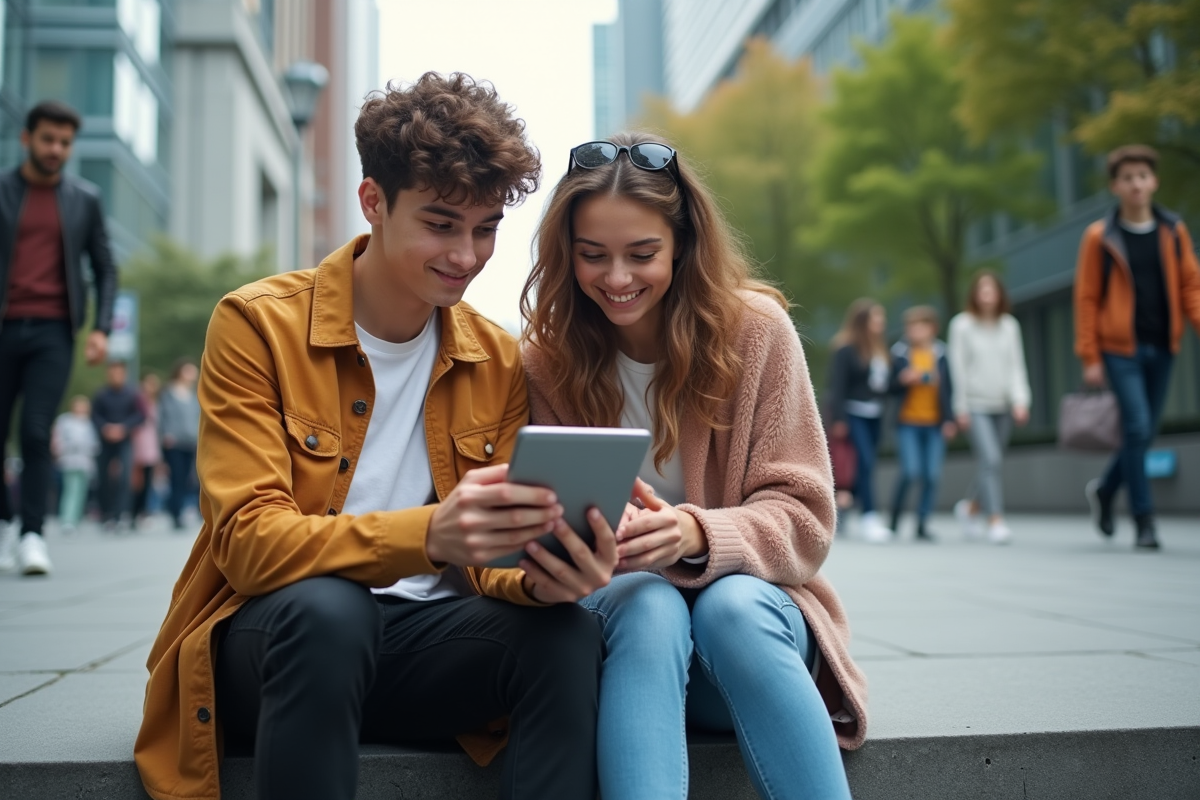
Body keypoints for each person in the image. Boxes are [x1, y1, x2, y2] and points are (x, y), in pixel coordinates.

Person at [135, 73, 615, 800]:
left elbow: (490, 565)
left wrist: (548, 572)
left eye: (486, 228)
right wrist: (428, 536)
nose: (467, 255)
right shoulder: (258, 325)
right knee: (334, 608)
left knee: (567, 635)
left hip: (420, 649)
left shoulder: (494, 354)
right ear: (373, 204)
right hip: (278, 645)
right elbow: (248, 542)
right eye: (441, 223)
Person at [521, 134, 866, 800]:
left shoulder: (756, 333)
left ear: (681, 244)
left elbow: (806, 517)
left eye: (642, 254)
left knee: (730, 607)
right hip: (620, 654)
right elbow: (536, 532)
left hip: (743, 649)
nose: (617, 279)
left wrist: (695, 535)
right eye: (593, 256)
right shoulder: (546, 361)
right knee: (648, 602)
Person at [0, 100, 116, 576]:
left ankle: (31, 536)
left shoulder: (83, 200)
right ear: (27, 139)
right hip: (5, 325)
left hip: (53, 329)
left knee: (34, 430)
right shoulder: (3, 191)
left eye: (65, 143)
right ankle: (6, 523)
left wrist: (101, 329)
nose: (56, 149)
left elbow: (105, 268)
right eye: (48, 139)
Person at [1074, 145, 1200, 550]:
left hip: (1163, 344)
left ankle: (1107, 491)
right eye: (1127, 178)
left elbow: (1191, 287)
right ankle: (1144, 520)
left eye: (1142, 176)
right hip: (1118, 347)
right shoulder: (1099, 236)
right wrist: (1090, 355)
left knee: (1142, 434)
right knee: (1138, 427)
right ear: (1116, 186)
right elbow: (1087, 298)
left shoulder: (1173, 231)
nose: (1136, 184)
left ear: (1154, 181)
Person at [947, 271, 1030, 544]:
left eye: (991, 289)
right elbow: (956, 368)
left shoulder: (1009, 326)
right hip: (975, 404)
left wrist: (1021, 399)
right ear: (974, 294)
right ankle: (995, 519)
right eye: (981, 289)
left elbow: (1016, 365)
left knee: (989, 464)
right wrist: (959, 407)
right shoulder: (961, 325)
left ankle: (970, 507)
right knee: (991, 460)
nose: (986, 295)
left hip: (1004, 404)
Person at [887, 306, 956, 542]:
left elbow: (949, 389)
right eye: (911, 327)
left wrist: (949, 419)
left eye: (920, 326)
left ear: (932, 328)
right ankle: (894, 520)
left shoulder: (942, 354)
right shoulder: (899, 353)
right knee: (910, 471)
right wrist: (902, 380)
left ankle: (923, 524)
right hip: (908, 422)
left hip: (935, 423)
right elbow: (889, 387)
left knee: (932, 475)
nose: (915, 331)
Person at [827, 298, 892, 542]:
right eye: (877, 317)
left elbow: (883, 385)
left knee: (865, 464)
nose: (881, 322)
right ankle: (869, 516)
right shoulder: (846, 349)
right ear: (863, 321)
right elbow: (838, 386)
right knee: (863, 462)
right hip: (853, 413)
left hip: (875, 415)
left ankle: (842, 507)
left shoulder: (880, 349)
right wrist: (840, 420)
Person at [92, 360, 144, 531]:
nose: (116, 375)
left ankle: (122, 514)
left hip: (125, 440)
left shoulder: (132, 394)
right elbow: (95, 416)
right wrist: (105, 428)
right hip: (105, 441)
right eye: (112, 372)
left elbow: (140, 415)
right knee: (104, 477)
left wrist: (124, 428)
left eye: (119, 372)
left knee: (124, 478)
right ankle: (108, 514)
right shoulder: (101, 395)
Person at [157, 358, 200, 530]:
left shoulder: (194, 394)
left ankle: (192, 510)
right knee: (177, 477)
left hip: (191, 441)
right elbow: (162, 416)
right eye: (189, 370)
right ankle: (176, 513)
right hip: (174, 442)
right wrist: (165, 434)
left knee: (191, 479)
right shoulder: (168, 393)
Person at [51, 395, 99, 533]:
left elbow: (94, 444)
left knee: (81, 492)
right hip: (69, 460)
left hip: (84, 462)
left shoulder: (88, 423)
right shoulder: (64, 421)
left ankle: (75, 519)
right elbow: (58, 441)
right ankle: (67, 519)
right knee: (70, 490)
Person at [130, 372, 163, 526]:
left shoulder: (156, 402)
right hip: (138, 442)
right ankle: (133, 511)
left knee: (149, 480)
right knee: (137, 480)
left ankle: (144, 511)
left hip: (152, 443)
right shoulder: (137, 401)